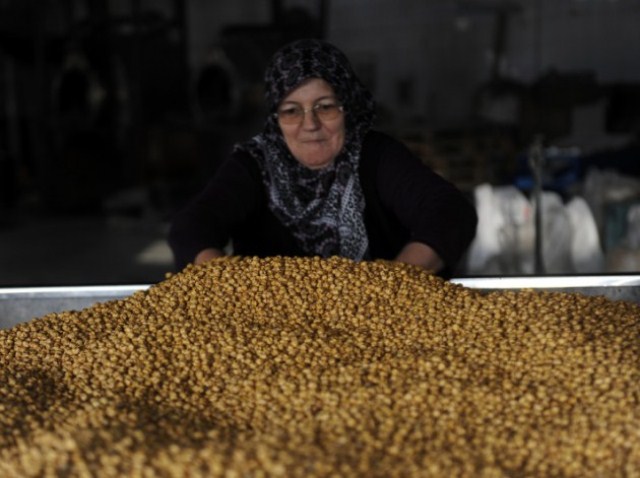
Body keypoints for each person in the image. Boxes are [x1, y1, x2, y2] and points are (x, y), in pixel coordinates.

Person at [168, 39, 477, 278]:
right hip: (273, 333)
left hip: (382, 328)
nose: (310, 124)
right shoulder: (254, 166)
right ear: (275, 118)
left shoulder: (375, 156)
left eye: (325, 107)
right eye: (291, 111)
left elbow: (449, 211)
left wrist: (395, 284)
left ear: (348, 106)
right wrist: (228, 286)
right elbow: (191, 226)